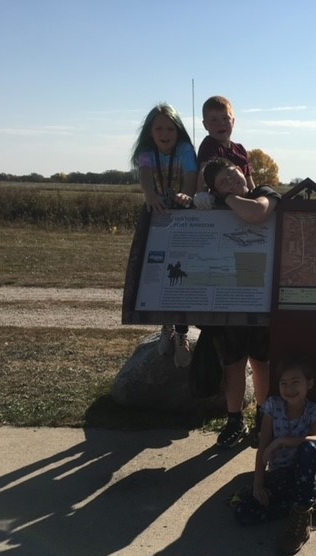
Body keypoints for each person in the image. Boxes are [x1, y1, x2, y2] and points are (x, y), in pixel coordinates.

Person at [196, 157, 280, 448]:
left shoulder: (264, 192)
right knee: (233, 363)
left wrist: (225, 196)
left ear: (244, 172)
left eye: (233, 175)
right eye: (223, 182)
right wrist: (194, 199)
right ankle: (235, 419)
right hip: (228, 295)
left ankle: (263, 416)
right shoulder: (216, 203)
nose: (232, 182)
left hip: (260, 295)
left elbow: (257, 214)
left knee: (262, 362)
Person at [233, 356, 316, 555]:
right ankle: (310, 506)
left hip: (307, 476)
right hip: (281, 477)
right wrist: (258, 484)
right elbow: (263, 446)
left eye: (295, 382)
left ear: (309, 383)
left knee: (308, 448)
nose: (289, 389)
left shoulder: (315, 410)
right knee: (243, 513)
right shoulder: (273, 406)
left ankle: (301, 518)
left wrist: (282, 441)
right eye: (283, 383)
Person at [131, 103, 198, 368]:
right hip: (157, 215)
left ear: (178, 130)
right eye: (159, 128)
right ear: (150, 131)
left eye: (170, 128)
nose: (165, 133)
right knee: (157, 271)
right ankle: (165, 325)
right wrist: (150, 196)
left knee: (183, 274)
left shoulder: (185, 151)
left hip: (182, 217)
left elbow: (190, 179)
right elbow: (146, 179)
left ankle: (181, 334)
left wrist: (186, 196)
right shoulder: (147, 153)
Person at [194, 95, 256, 198]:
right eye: (214, 120)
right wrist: (202, 195)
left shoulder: (240, 149)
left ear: (233, 122)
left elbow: (249, 181)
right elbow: (204, 173)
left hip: (244, 203)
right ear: (205, 125)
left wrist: (256, 195)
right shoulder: (209, 145)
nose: (221, 123)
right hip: (223, 206)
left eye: (225, 118)